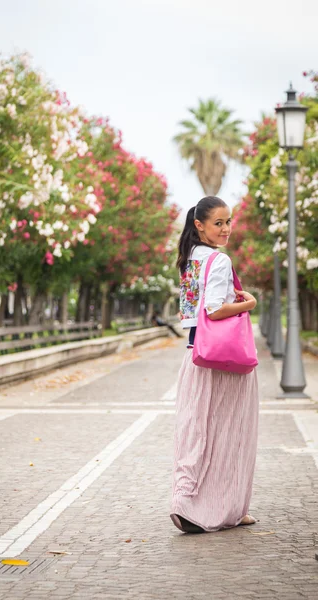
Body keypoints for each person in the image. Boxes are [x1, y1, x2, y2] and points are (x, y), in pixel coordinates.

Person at [171, 196, 259, 534]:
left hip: (195, 357)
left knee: (195, 433)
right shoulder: (219, 260)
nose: (225, 229)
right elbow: (213, 310)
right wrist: (248, 302)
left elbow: (193, 313)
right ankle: (228, 508)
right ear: (200, 225)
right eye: (218, 223)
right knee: (231, 435)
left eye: (228, 222)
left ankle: (186, 501)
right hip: (224, 361)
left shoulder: (190, 259)